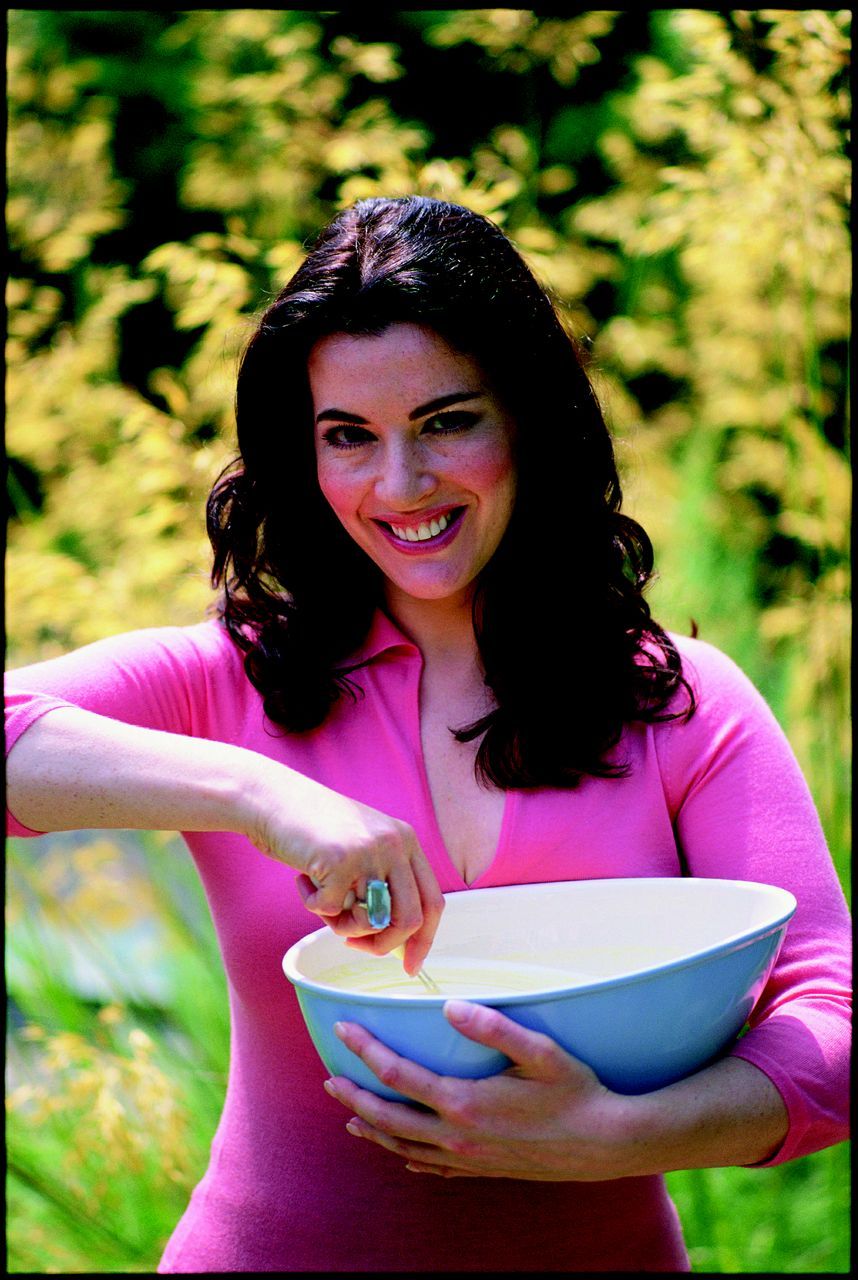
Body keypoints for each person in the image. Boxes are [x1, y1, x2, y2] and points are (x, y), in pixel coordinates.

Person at [5, 195, 850, 1274]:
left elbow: (833, 1012)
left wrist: (620, 1137)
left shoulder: (681, 703)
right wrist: (262, 795)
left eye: (447, 422)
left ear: (529, 419)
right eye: (348, 437)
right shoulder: (227, 678)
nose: (400, 486)